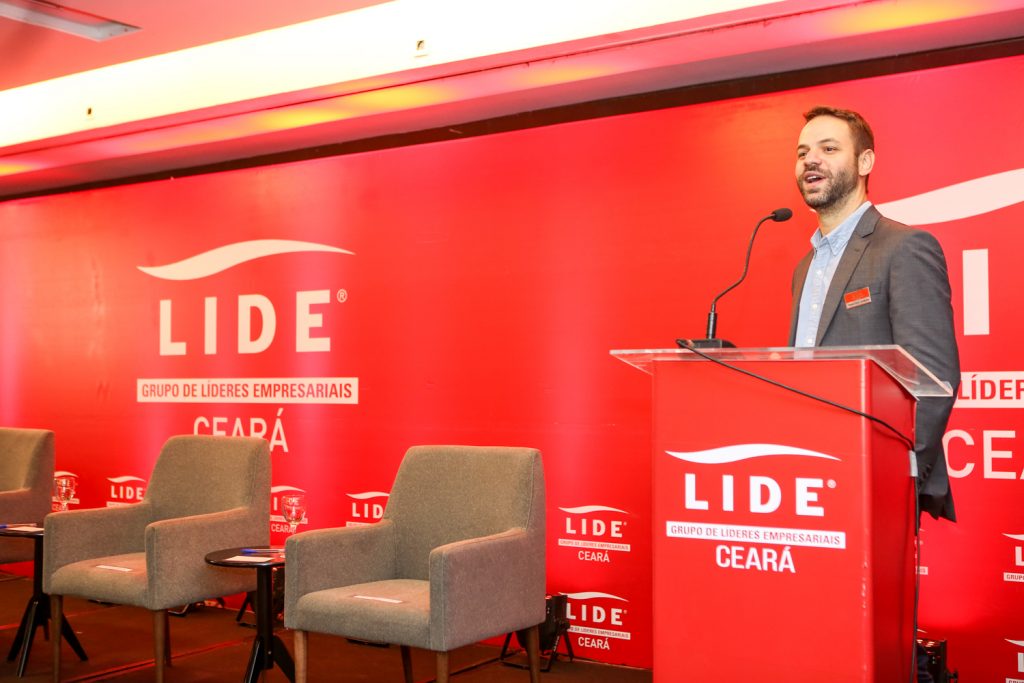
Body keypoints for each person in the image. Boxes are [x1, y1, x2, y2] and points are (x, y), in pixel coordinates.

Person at [790, 106, 960, 682]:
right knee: (817, 638)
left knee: (871, 645)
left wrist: (894, 474)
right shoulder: (804, 267)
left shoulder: (903, 248)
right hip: (807, 483)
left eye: (828, 148)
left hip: (874, 485)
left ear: (864, 162)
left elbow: (933, 379)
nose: (811, 160)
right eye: (802, 152)